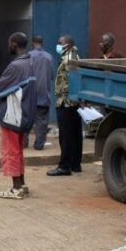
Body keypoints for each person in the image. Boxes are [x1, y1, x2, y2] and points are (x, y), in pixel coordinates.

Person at [0, 33, 38, 200]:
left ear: (14, 44)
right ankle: (22, 185)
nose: (8, 46)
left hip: (13, 115)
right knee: (18, 151)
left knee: (10, 151)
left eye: (9, 43)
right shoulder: (31, 62)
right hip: (25, 113)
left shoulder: (16, 66)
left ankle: (16, 189)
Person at [47, 34, 82, 176]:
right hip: (73, 102)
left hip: (65, 102)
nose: (57, 45)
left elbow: (73, 80)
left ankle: (64, 166)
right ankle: (75, 164)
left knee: (65, 135)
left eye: (59, 43)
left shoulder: (68, 60)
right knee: (75, 134)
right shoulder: (75, 57)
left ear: (66, 46)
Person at [24, 35, 54, 150]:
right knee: (41, 121)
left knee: (26, 118)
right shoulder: (49, 57)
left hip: (29, 94)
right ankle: (39, 144)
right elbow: (51, 76)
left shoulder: (28, 56)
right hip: (43, 94)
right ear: (42, 43)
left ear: (32, 43)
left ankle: (24, 142)